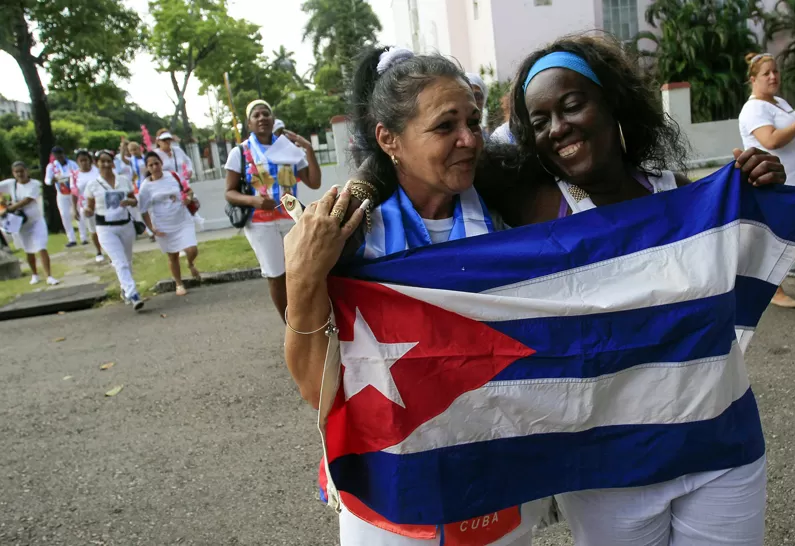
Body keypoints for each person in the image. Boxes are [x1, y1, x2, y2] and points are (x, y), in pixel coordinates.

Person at [501, 34, 780, 546]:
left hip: (720, 446)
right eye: (539, 122)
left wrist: (763, 185)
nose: (558, 128)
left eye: (572, 104)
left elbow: (743, 269)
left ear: (612, 101)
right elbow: (418, 160)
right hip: (609, 471)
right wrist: (358, 189)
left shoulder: (680, 192)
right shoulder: (538, 208)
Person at [284, 46, 549, 546]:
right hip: (393, 490)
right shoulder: (349, 237)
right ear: (389, 139)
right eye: (445, 126)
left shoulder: (508, 223)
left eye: (473, 120)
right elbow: (313, 388)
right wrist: (302, 278)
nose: (470, 140)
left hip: (496, 475)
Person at [224, 99, 322, 320]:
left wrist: (308, 149)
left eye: (265, 114)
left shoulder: (288, 148)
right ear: (249, 124)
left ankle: (306, 319)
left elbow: (314, 182)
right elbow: (229, 192)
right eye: (256, 115)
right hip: (261, 223)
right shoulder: (240, 153)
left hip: (291, 218)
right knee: (276, 275)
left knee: (300, 271)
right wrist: (253, 201)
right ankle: (290, 326)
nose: (262, 118)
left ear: (272, 118)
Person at [738, 52, 795, 306]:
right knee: (774, 237)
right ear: (753, 79)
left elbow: (786, 138)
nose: (773, 76)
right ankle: (773, 290)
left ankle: (760, 282)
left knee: (779, 235)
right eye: (766, 73)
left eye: (775, 71)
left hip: (793, 180)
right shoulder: (754, 109)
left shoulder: (778, 102)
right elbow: (771, 140)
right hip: (773, 182)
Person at [83, 150, 144, 311]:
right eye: (102, 161)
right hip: (105, 227)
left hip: (125, 224)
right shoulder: (93, 185)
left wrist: (129, 201)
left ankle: (125, 289)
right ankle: (134, 294)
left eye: (108, 161)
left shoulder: (123, 180)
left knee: (127, 261)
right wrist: (87, 212)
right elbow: (89, 207)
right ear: (97, 163)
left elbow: (134, 199)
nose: (106, 164)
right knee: (119, 261)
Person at [138, 151, 200, 296]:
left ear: (161, 163)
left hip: (182, 219)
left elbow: (188, 191)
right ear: (147, 168)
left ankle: (190, 263)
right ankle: (179, 283)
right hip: (163, 224)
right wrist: (152, 229)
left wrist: (188, 199)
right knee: (173, 256)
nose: (155, 167)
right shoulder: (145, 187)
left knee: (192, 249)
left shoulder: (173, 176)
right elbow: (143, 210)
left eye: (156, 163)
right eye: (151, 165)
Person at [1, 162, 59, 285]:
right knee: (29, 250)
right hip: (21, 223)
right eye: (16, 172)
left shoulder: (35, 184)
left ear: (27, 171)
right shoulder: (11, 184)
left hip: (36, 221)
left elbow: (27, 200)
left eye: (22, 171)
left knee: (41, 247)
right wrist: (2, 202)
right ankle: (35, 274)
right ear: (13, 173)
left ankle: (48, 276)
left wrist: (9, 209)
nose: (20, 174)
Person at [43, 146, 81, 247]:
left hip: (73, 192)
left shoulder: (71, 164)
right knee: (64, 215)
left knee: (78, 212)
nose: (59, 157)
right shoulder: (51, 166)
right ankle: (71, 239)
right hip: (61, 193)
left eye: (60, 154)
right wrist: (52, 180)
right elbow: (47, 180)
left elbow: (78, 174)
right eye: (56, 155)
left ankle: (83, 237)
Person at [72, 150, 106, 263]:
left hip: (101, 203)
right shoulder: (75, 175)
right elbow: (74, 193)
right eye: (81, 161)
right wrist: (75, 209)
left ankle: (109, 251)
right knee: (93, 229)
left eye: (85, 160)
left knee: (105, 228)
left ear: (90, 160)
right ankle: (99, 251)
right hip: (86, 206)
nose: (83, 163)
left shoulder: (97, 171)